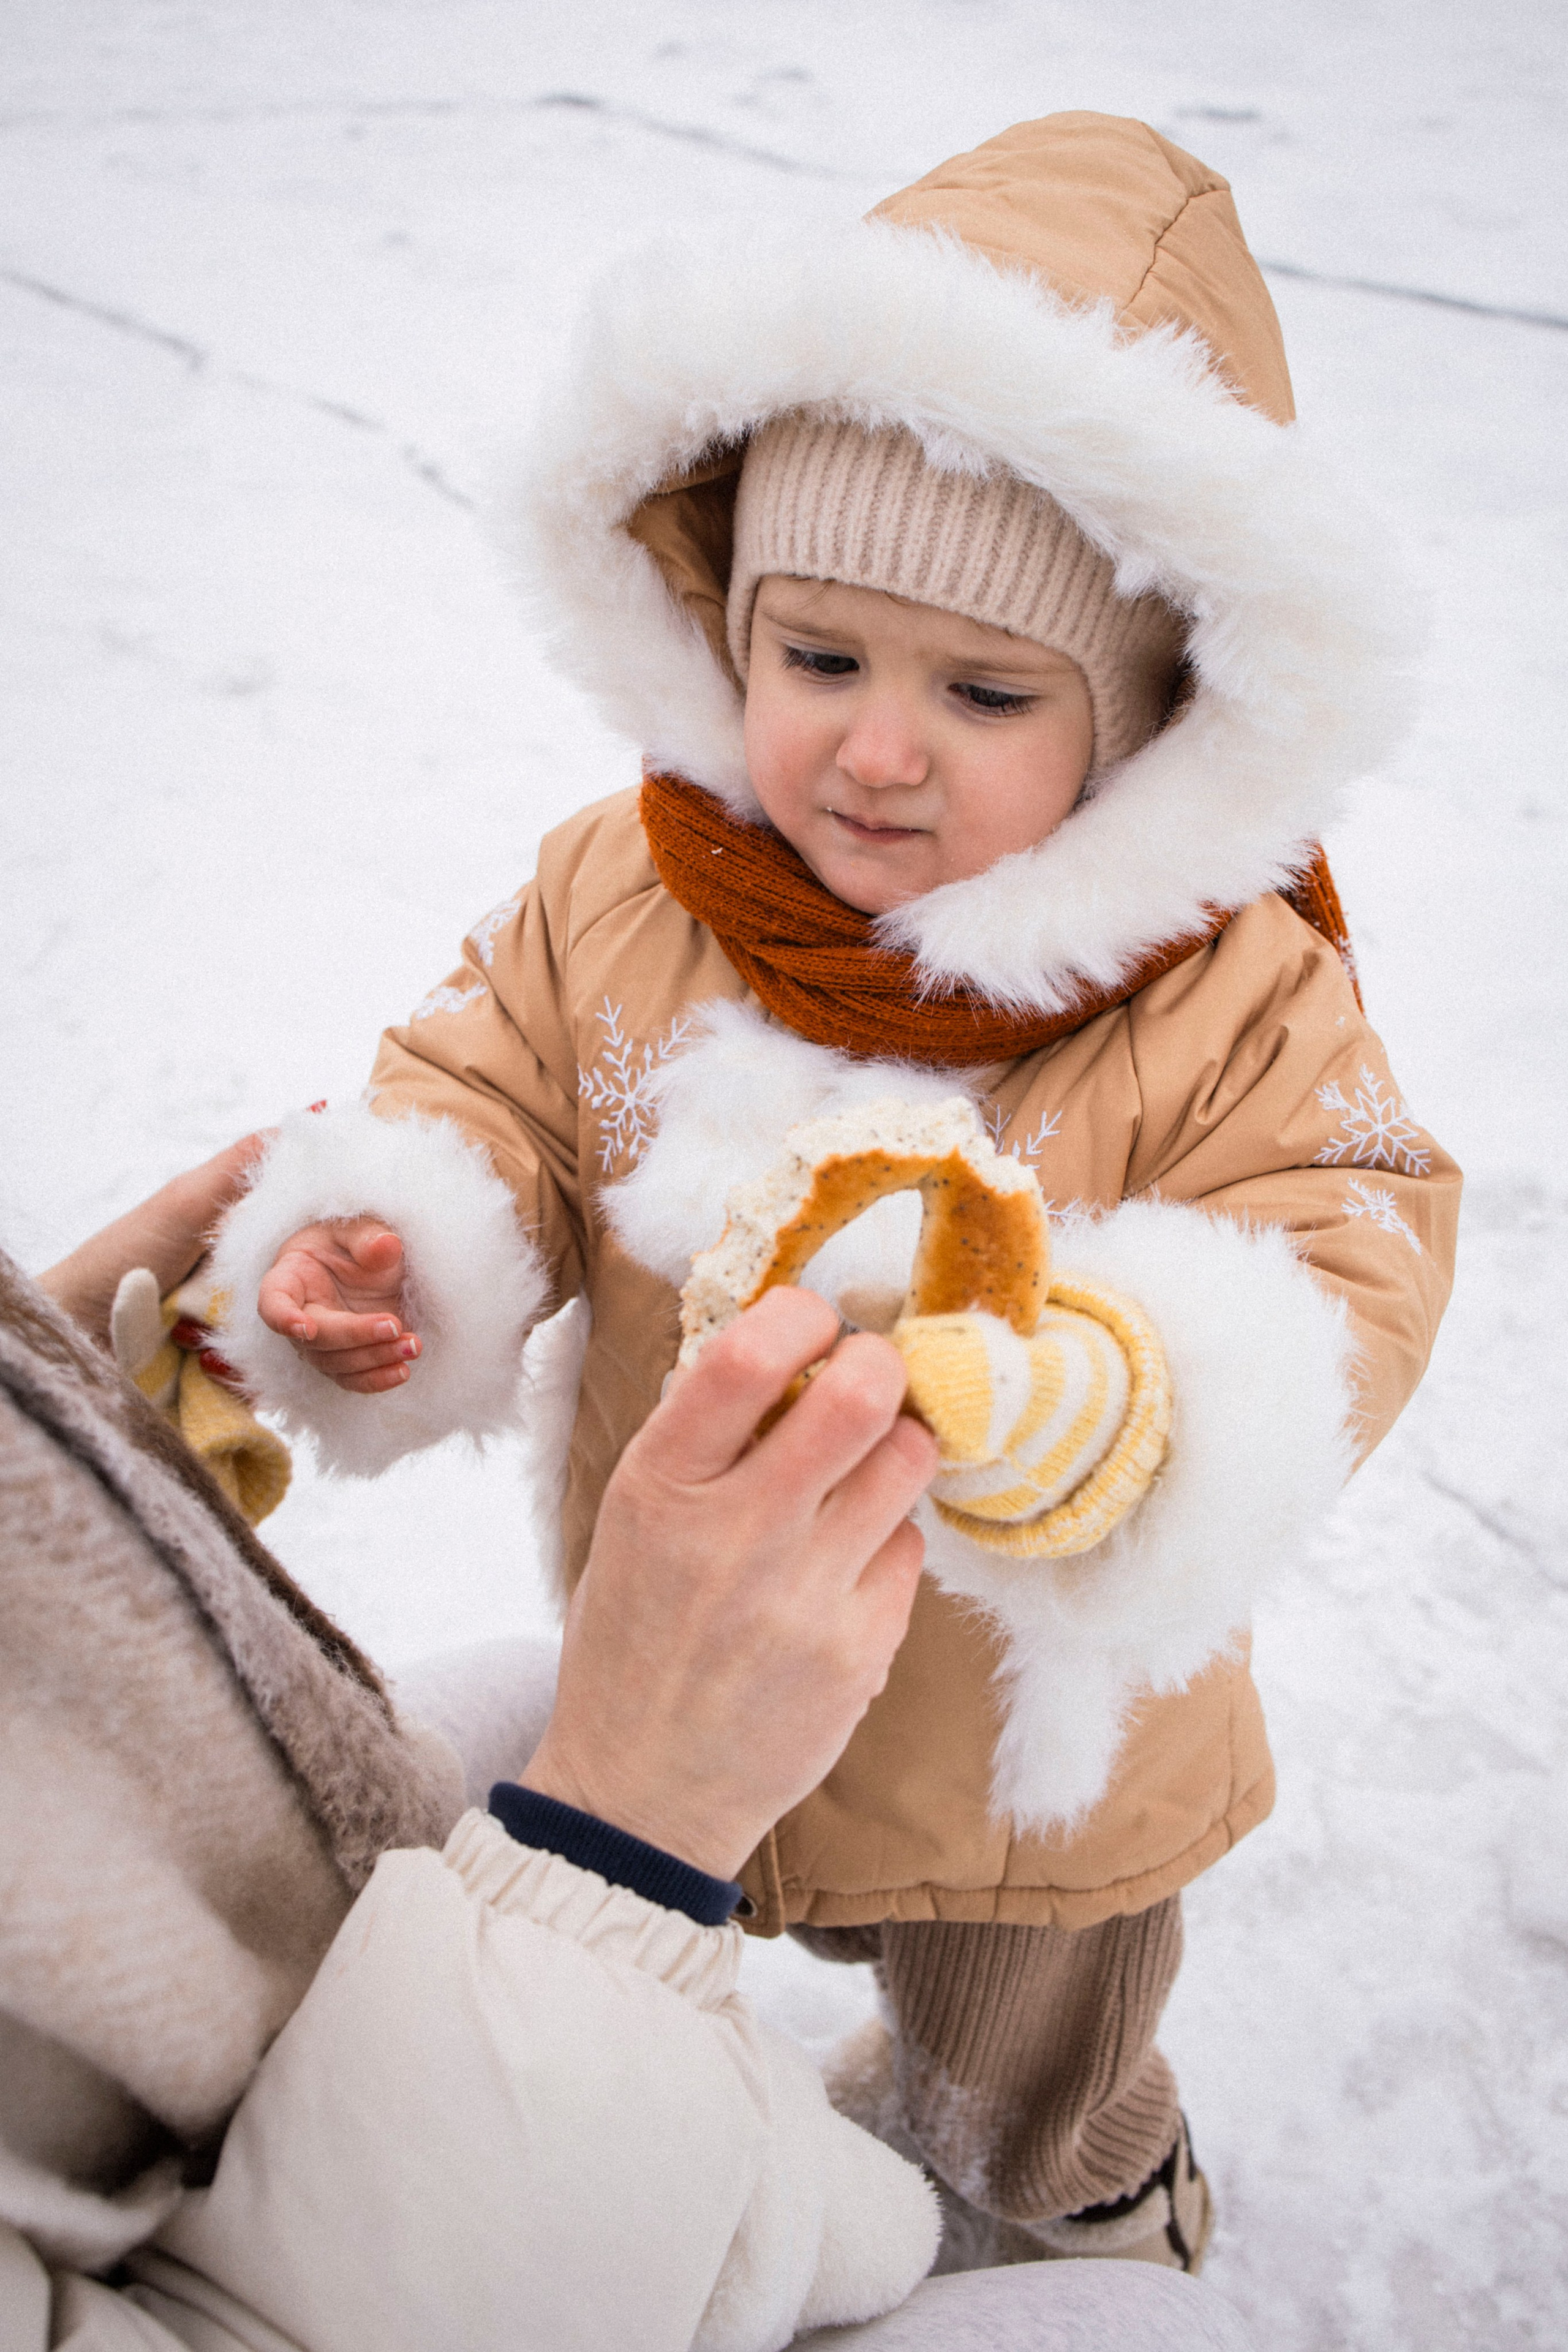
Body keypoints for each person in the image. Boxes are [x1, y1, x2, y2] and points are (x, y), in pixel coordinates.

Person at [207, 111, 1460, 2268]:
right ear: (730, 620)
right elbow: (488, 1069)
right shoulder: (635, 883)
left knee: (1011, 2039)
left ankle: (1079, 2188)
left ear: (1151, 712)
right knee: (652, 1941)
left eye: (983, 693)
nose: (874, 752)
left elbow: (1348, 1235)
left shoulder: (1225, 990)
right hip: (687, 1646)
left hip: (1018, 1737)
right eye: (818, 659)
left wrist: (1127, 1400)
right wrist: (405, 1224)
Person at [2, 1167, 1256, 2350]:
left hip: (209, 1914)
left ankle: (1088, 2181)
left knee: (1036, 2028)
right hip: (369, 2264)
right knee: (1155, 2335)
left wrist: (62, 1389)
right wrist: (618, 1838)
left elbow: (1329, 1255)